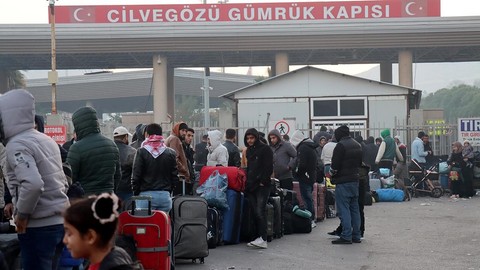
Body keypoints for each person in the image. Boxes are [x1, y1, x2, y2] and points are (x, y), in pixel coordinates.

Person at [0, 89, 69, 270]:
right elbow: (63, 181)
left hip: (38, 227)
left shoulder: (17, 145)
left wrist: (22, 215)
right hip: (60, 222)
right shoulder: (46, 140)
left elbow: (33, 184)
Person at [63, 193, 138, 270]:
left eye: (69, 234)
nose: (64, 240)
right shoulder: (100, 263)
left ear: (90, 237)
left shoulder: (111, 266)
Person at [67, 106, 121, 196]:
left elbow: (70, 178)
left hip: (85, 201)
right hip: (108, 199)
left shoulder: (76, 148)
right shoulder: (112, 145)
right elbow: (117, 175)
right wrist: (111, 191)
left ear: (78, 125)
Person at [132, 123, 179, 212]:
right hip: (165, 196)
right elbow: (175, 177)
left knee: (145, 224)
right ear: (161, 135)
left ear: (147, 135)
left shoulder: (141, 152)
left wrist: (137, 193)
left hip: (145, 196)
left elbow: (135, 177)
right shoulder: (170, 153)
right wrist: (168, 192)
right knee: (162, 224)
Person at [329, 125, 363, 244]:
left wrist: (331, 173)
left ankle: (346, 235)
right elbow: (359, 163)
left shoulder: (340, 146)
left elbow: (335, 166)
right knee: (355, 209)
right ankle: (356, 235)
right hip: (355, 180)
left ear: (339, 135)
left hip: (343, 182)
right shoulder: (357, 145)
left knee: (344, 209)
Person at [244, 128, 273, 249]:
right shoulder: (249, 150)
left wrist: (263, 181)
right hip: (251, 185)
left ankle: (263, 238)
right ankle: (258, 237)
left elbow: (268, 167)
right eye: (248, 138)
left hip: (261, 186)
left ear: (256, 138)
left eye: (252, 138)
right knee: (255, 212)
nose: (249, 140)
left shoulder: (265, 149)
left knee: (260, 211)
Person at [290, 130, 318, 228]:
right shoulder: (310, 146)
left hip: (305, 176)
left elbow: (301, 164)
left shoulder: (303, 148)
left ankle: (309, 218)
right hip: (311, 175)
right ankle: (312, 217)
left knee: (307, 198)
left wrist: (296, 172)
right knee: (309, 197)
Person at [165, 122, 191, 195]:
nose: (184, 133)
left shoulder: (171, 138)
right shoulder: (175, 139)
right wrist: (184, 169)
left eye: (186, 131)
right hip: (179, 177)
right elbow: (174, 158)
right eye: (182, 130)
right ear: (177, 130)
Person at [113, 126, 136, 202]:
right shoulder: (132, 151)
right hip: (127, 190)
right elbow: (136, 171)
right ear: (126, 137)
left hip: (112, 188)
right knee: (128, 213)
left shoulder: (108, 150)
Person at [183, 128, 196, 195]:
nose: (190, 138)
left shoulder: (189, 148)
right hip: (183, 178)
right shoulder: (181, 147)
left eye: (192, 136)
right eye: (188, 135)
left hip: (189, 177)